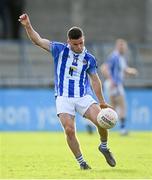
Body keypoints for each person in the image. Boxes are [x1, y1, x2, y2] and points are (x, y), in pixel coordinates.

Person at [19, 13, 116, 170]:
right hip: (63, 97)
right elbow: (37, 40)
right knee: (70, 130)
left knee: (101, 120)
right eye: (75, 44)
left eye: (81, 43)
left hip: (82, 95)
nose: (79, 47)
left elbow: (95, 80)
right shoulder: (59, 50)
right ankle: (82, 163)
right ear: (68, 42)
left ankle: (104, 147)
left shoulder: (89, 58)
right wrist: (28, 25)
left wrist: (102, 102)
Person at [100, 39, 138, 135]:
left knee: (112, 108)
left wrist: (131, 71)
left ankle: (93, 124)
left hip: (115, 84)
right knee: (122, 106)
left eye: (124, 46)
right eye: (122, 46)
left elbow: (124, 69)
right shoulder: (115, 57)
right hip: (115, 84)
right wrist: (112, 80)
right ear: (118, 46)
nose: (124, 48)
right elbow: (104, 68)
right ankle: (122, 129)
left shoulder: (120, 58)